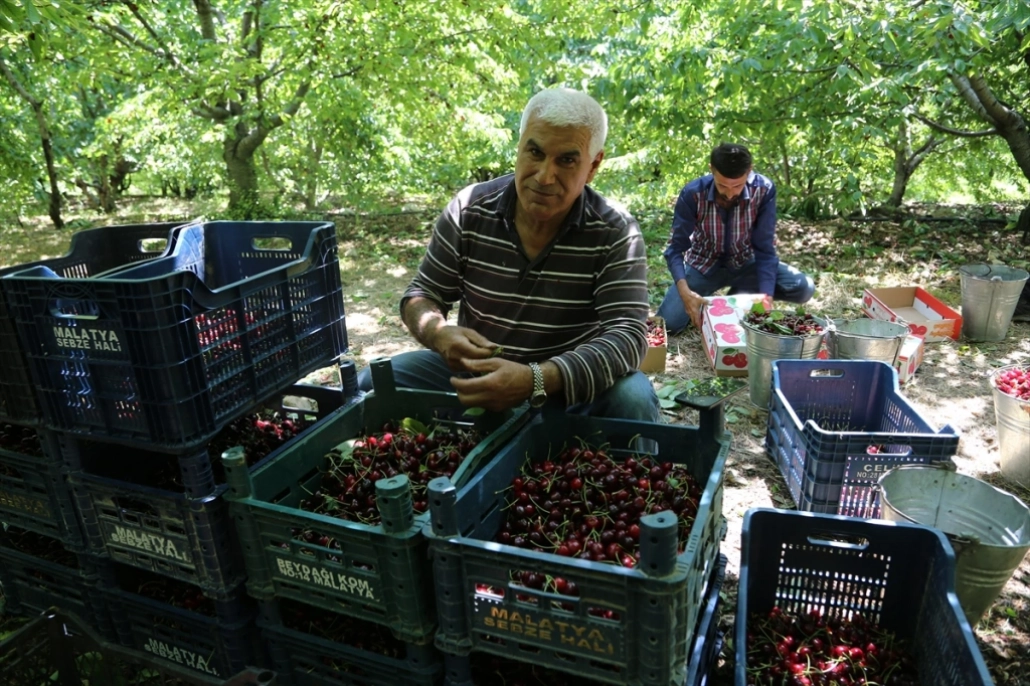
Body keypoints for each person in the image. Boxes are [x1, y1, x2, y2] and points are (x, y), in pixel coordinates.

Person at [357, 88, 659, 423]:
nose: (544, 176)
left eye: (567, 160)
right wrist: (439, 334)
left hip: (567, 391)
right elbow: (423, 294)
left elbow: (629, 335)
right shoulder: (470, 209)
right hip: (477, 379)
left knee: (632, 398)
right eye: (535, 152)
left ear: (593, 166)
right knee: (376, 381)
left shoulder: (614, 230)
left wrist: (537, 379)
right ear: (519, 146)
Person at [656, 143, 816, 334]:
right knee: (669, 325)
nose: (730, 193)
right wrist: (684, 292)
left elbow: (765, 247)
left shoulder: (763, 190)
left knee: (803, 287)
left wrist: (766, 296)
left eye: (738, 185)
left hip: (746, 263)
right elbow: (675, 248)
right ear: (712, 170)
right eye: (722, 185)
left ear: (749, 171)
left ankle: (738, 296)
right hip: (703, 265)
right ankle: (721, 299)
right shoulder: (693, 194)